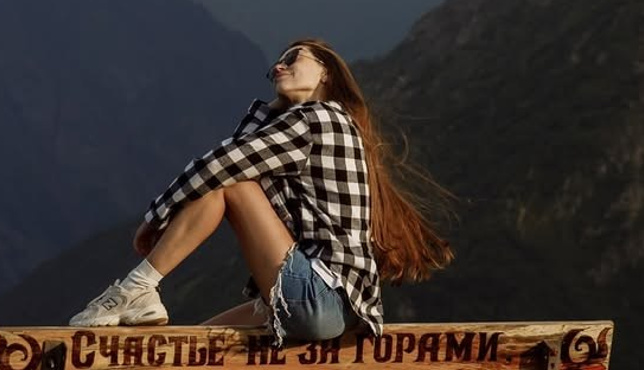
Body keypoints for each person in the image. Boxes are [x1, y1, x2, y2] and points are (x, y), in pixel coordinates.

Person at [69, 37, 452, 342]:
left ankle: (137, 287)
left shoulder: (316, 119)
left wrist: (155, 217)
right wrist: (273, 105)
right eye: (275, 66)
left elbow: (222, 165)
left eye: (293, 58)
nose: (279, 66)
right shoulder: (325, 122)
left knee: (234, 187)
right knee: (204, 350)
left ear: (325, 74)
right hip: (334, 307)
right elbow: (239, 153)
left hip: (318, 298)